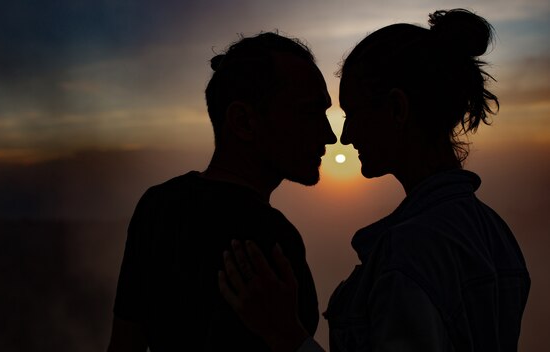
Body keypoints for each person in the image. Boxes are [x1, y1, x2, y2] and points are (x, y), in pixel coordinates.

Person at [219, 9, 531, 352]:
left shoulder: (411, 251)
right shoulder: (495, 232)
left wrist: (286, 335)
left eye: (353, 114)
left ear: (397, 109)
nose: (345, 136)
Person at [107, 32, 337, 351]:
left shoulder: (158, 206)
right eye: (309, 113)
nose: (329, 136)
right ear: (243, 122)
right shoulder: (273, 242)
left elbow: (123, 345)